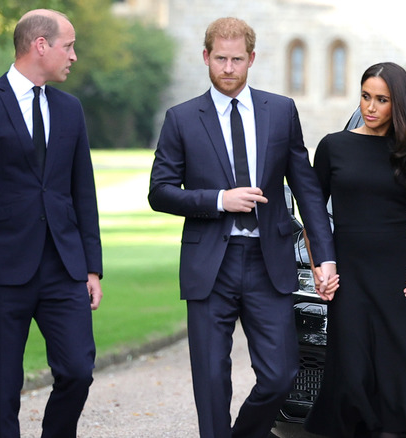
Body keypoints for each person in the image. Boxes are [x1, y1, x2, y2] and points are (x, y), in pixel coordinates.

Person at [148, 17, 337, 438]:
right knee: (211, 383)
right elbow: (159, 192)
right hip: (209, 265)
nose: (228, 68)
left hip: (267, 263)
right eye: (220, 59)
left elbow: (306, 190)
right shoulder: (181, 118)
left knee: (281, 376)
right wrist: (218, 200)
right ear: (205, 57)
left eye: (237, 59)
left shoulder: (281, 111)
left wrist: (325, 256)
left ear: (252, 59)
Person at [0, 9, 102, 438]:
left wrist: (91, 267)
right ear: (40, 45)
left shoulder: (70, 109)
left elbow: (82, 192)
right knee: (1, 390)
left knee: (78, 371)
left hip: (64, 267)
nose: (73, 55)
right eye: (68, 46)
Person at [304, 62, 406, 437]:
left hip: (400, 278)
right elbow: (315, 219)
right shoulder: (334, 147)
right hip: (350, 277)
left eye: (382, 100)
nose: (371, 107)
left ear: (398, 105)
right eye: (366, 96)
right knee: (352, 376)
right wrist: (321, 268)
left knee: (402, 377)